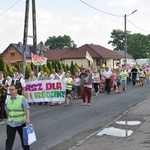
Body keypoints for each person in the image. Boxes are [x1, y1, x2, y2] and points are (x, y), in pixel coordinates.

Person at [5, 84, 30, 150]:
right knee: (9, 140)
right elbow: (7, 110)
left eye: (12, 89)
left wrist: (27, 119)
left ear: (16, 90)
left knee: (24, 139)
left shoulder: (21, 98)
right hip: (11, 123)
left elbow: (27, 109)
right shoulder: (9, 99)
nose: (11, 91)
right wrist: (8, 118)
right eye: (10, 89)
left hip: (21, 123)